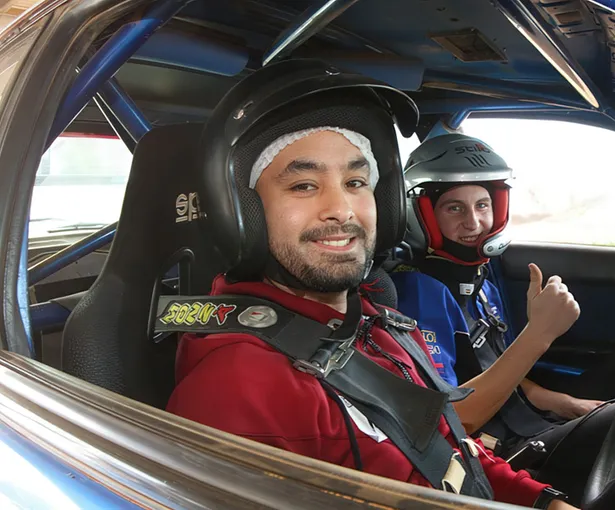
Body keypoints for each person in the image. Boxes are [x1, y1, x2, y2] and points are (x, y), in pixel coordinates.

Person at [164, 59, 576, 509]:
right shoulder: (241, 388)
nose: (341, 209)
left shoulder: (378, 321)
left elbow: (447, 446)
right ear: (244, 212)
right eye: (303, 185)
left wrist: (544, 501)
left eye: (356, 181)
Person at [389, 134, 609, 475]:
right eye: (454, 208)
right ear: (423, 214)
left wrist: (564, 403)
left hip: (525, 425)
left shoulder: (481, 281)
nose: (473, 223)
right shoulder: (418, 293)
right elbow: (450, 416)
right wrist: (539, 334)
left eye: (482, 205)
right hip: (487, 452)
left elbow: (499, 371)